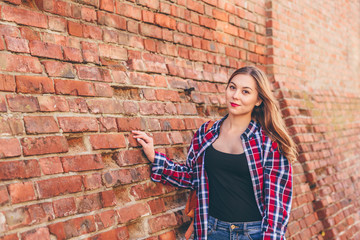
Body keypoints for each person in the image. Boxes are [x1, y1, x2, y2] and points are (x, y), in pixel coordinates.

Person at [132, 66, 297, 240]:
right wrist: (154, 157)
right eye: (232, 87)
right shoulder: (206, 132)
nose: (235, 96)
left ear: (258, 100)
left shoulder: (269, 143)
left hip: (253, 234)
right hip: (211, 230)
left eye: (245, 92)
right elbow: (191, 176)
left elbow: (277, 205)